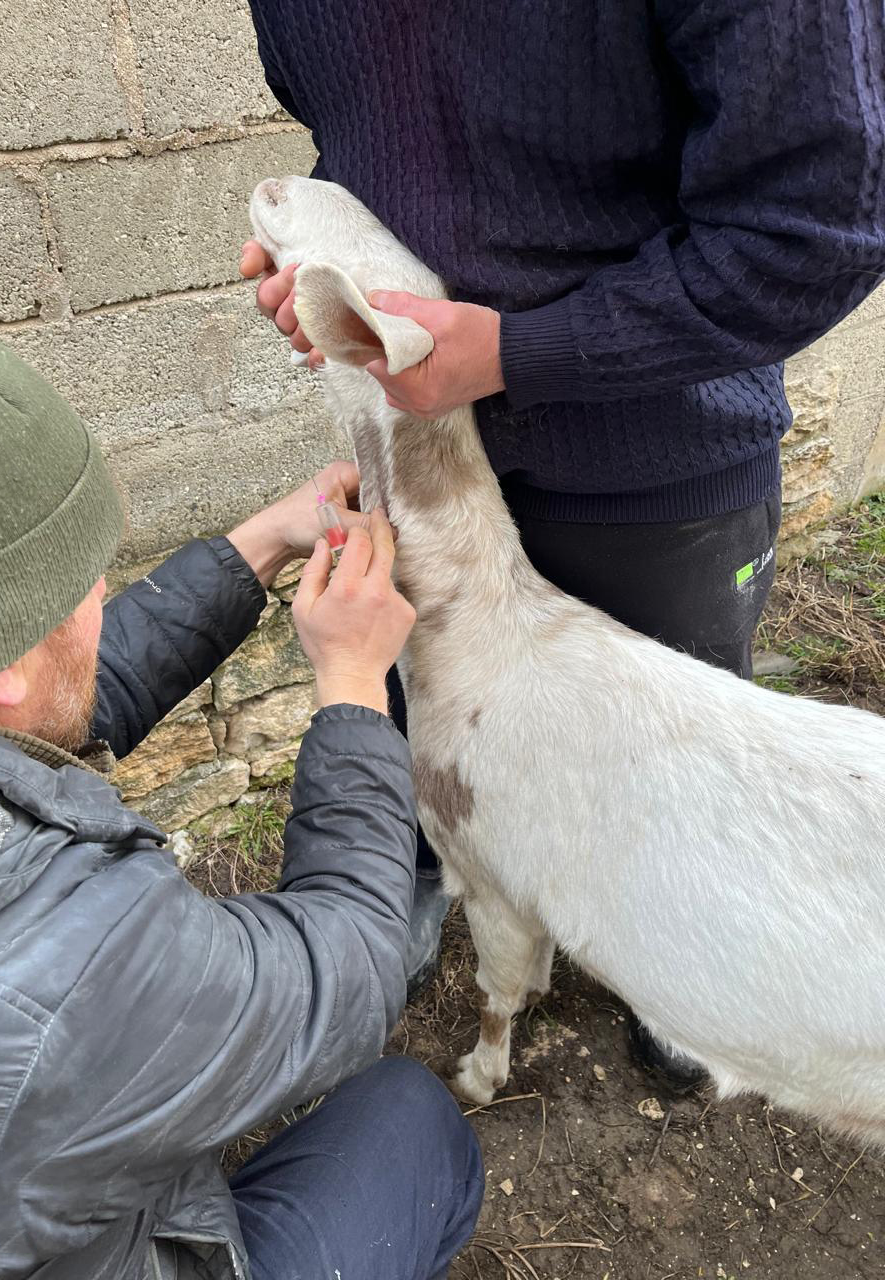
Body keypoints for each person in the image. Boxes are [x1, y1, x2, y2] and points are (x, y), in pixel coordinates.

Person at [239, 0, 885, 1086]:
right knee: (469, 774)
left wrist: (517, 349)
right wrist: (332, 289)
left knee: (673, 793)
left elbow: (815, 231)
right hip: (442, 483)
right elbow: (354, 138)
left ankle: (697, 1007)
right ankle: (457, 926)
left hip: (655, 457)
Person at [0, 318, 483, 1280]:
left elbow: (54, 706)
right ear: (1, 664)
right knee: (414, 1121)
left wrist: (265, 540)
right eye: (78, 582)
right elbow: (348, 966)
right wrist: (353, 687)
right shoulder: (49, 959)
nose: (101, 586)